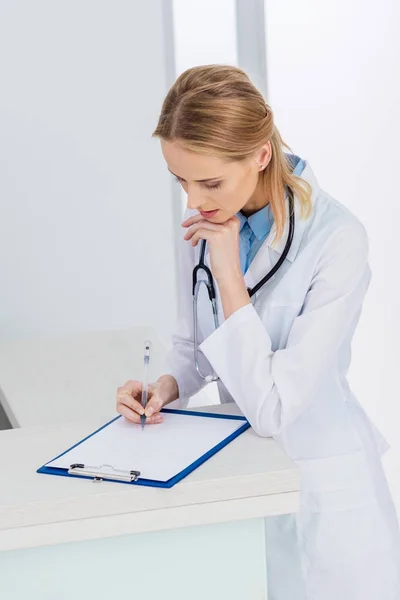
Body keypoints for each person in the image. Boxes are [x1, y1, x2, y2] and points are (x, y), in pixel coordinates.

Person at [116, 64, 400, 599]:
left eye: (210, 181)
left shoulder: (337, 241)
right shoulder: (207, 227)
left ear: (261, 155)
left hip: (327, 490)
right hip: (250, 480)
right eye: (180, 180)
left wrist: (229, 275)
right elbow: (194, 350)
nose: (193, 200)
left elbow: (271, 409)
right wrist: (165, 389)